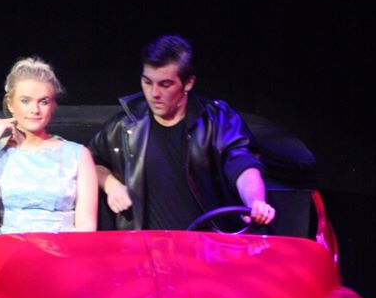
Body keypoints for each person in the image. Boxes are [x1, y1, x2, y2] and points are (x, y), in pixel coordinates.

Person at [88, 35, 276, 230]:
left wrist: (255, 202)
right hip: (144, 245)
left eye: (165, 84)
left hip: (205, 244)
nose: (154, 93)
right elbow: (90, 161)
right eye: (147, 82)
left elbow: (243, 164)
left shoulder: (217, 121)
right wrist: (111, 185)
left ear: (188, 83)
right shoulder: (125, 125)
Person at [0, 56, 98, 233]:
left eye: (44, 101)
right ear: (10, 104)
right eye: (25, 100)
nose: (35, 110)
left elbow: (86, 228)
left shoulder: (77, 154)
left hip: (62, 247)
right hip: (11, 246)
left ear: (53, 106)